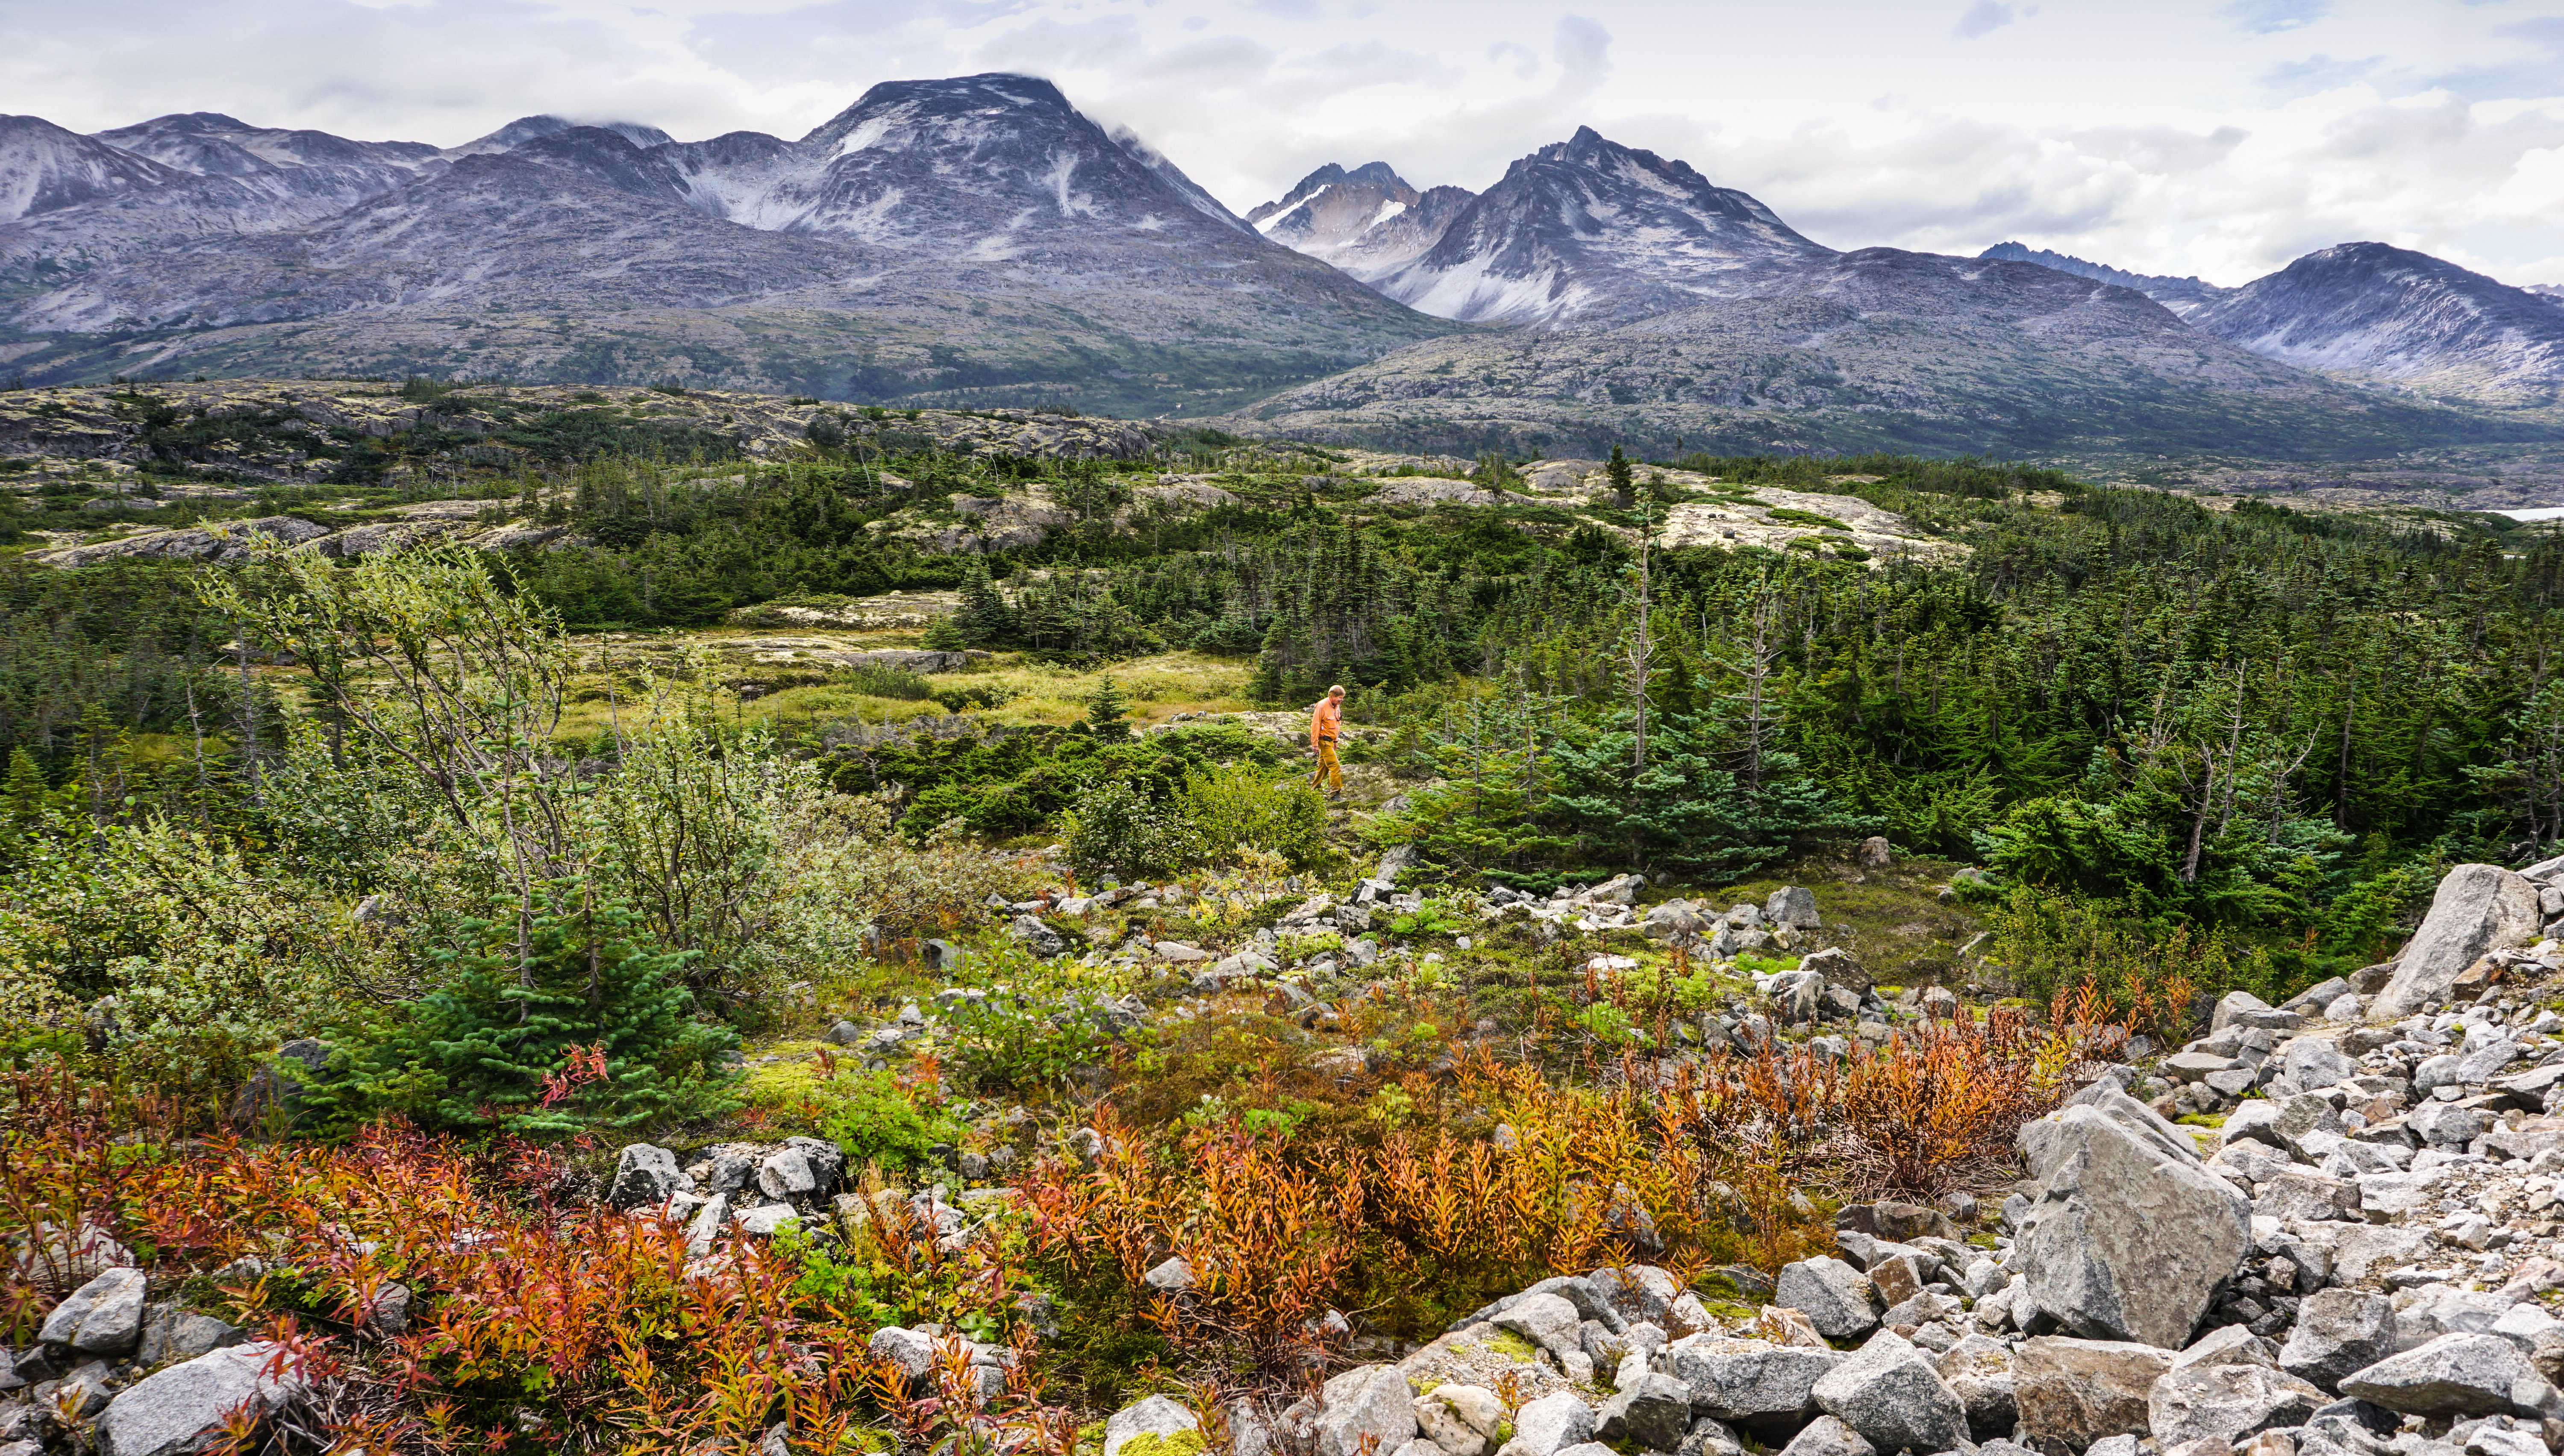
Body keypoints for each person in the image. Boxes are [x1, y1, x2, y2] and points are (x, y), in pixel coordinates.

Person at [1308, 683, 1347, 799]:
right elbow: (1315, 725)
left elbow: (1336, 724)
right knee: (1335, 766)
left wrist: (1335, 741)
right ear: (1332, 696)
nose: (1342, 700)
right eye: (1340, 697)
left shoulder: (1336, 706)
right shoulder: (1321, 706)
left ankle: (1313, 790)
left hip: (1331, 741)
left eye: (1342, 697)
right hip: (1323, 741)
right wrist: (1314, 743)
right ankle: (1335, 793)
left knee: (1323, 767)